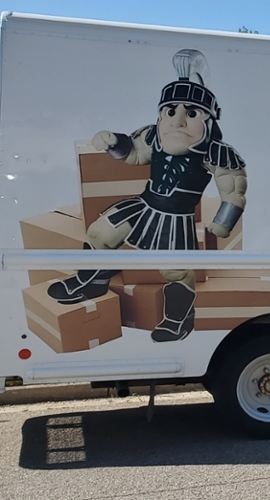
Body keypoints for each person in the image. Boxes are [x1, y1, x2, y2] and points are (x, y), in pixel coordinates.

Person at [47, 49, 249, 342]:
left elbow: (233, 189)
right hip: (144, 205)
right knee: (100, 234)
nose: (178, 121)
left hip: (176, 219)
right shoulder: (153, 136)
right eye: (171, 111)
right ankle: (91, 281)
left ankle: (178, 320)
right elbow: (134, 154)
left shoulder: (217, 152)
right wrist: (114, 142)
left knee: (176, 271)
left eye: (190, 113)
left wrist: (223, 223)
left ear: (208, 120)